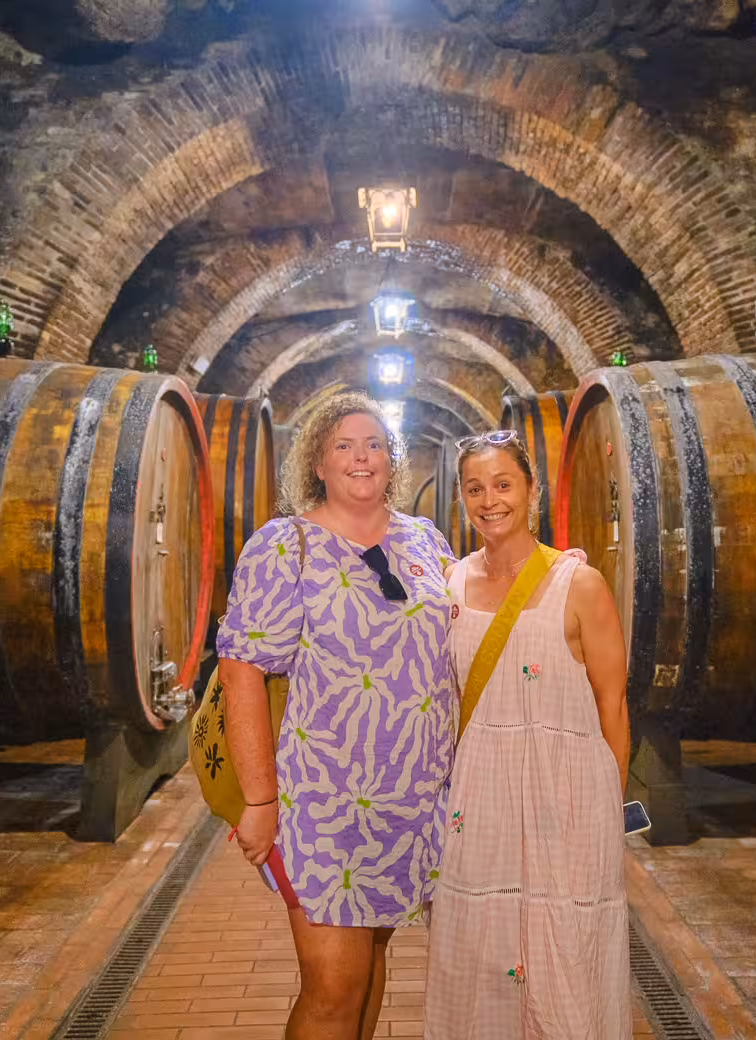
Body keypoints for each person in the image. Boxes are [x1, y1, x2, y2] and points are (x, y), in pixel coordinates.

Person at [216, 392, 458, 1040]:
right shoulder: (285, 546)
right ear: (319, 462)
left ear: (392, 460)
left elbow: (474, 625)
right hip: (322, 803)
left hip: (410, 800)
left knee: (372, 965)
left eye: (374, 443)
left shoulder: (425, 541)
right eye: (344, 445)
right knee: (331, 988)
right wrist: (259, 800)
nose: (361, 457)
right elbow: (241, 669)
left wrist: (551, 575)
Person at [425, 429, 631, 1039]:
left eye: (504, 484)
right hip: (480, 795)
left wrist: (608, 812)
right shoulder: (452, 583)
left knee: (563, 946)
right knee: (480, 951)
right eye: (475, 488)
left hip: (563, 798)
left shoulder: (579, 584)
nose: (490, 500)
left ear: (532, 490)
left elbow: (612, 704)